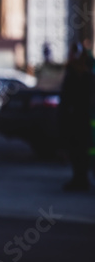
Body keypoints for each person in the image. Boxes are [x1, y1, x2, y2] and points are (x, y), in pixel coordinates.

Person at [58, 38, 94, 192]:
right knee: (77, 150)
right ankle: (80, 179)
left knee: (81, 150)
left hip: (80, 118)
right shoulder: (78, 71)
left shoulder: (83, 73)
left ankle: (81, 179)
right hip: (77, 118)